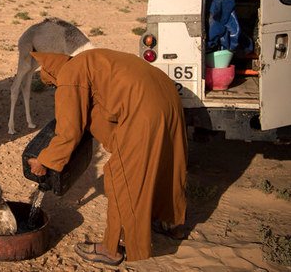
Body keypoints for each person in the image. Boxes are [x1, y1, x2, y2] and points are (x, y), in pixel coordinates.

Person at [26, 48, 187, 266]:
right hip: (168, 98)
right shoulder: (91, 61)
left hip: (144, 110)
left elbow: (69, 131)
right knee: (165, 162)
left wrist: (45, 160)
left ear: (53, 74)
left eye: (53, 85)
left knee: (121, 177)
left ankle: (113, 248)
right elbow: (104, 110)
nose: (56, 88)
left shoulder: (69, 75)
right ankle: (171, 222)